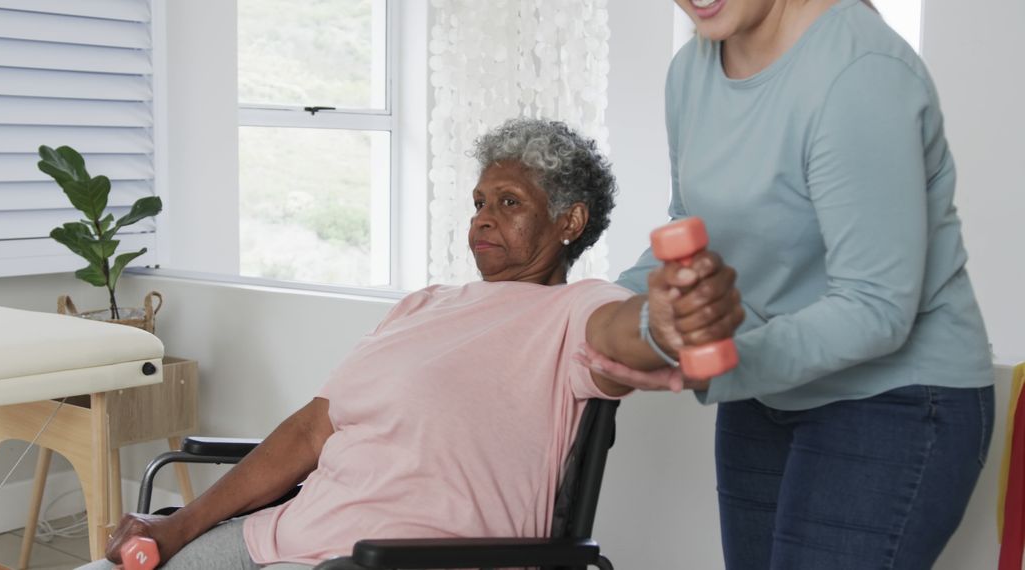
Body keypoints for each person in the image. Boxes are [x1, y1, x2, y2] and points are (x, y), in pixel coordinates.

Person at [81, 118, 744, 569]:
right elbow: (312, 431)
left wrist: (663, 320)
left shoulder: (574, 309)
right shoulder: (423, 306)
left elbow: (624, 332)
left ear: (569, 222)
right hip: (281, 537)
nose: (483, 215)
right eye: (480, 200)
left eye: (510, 203)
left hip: (386, 560)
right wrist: (180, 524)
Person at [582, 1, 996, 568]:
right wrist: (597, 314)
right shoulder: (690, 72)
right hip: (767, 390)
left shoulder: (860, 72)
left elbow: (876, 308)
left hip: (894, 398)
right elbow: (691, 231)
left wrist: (712, 362)